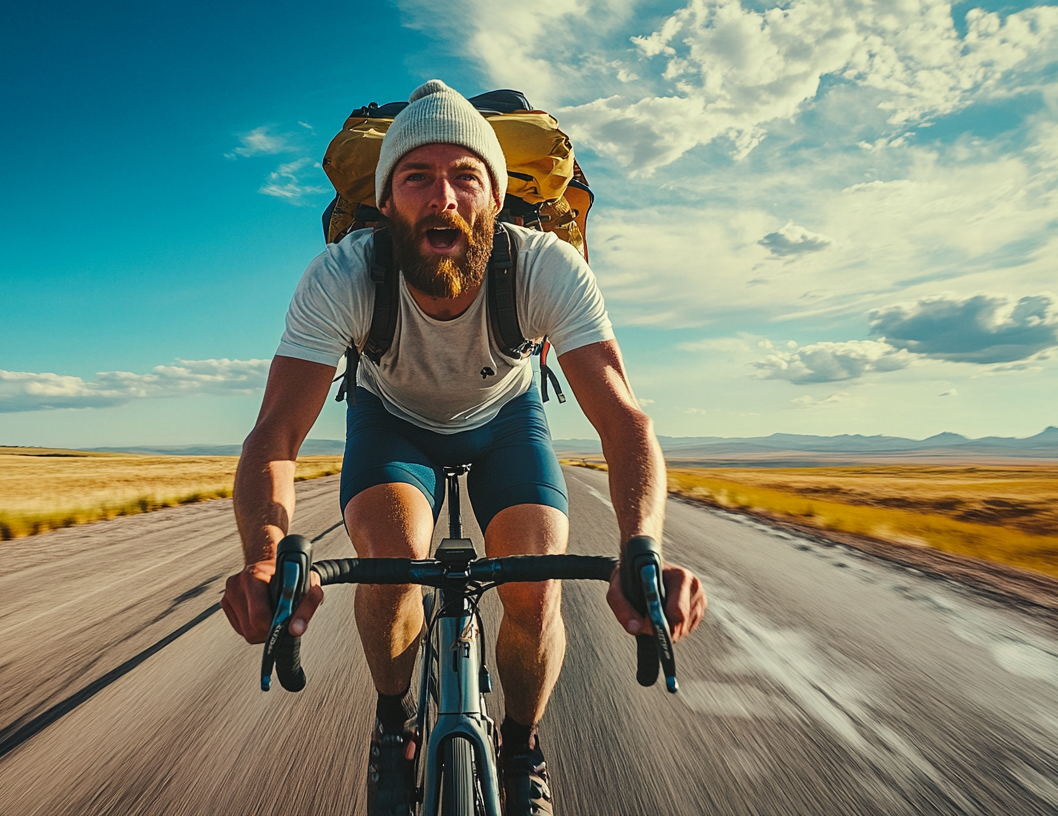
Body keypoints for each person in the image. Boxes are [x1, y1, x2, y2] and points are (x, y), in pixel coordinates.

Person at [221, 79, 706, 816]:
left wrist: (642, 544)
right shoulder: (343, 275)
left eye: (464, 177)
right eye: (417, 177)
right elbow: (276, 432)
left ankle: (523, 746)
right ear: (386, 202)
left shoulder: (544, 266)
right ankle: (394, 728)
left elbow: (624, 421)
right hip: (393, 425)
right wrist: (263, 550)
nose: (442, 197)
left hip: (505, 422)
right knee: (389, 566)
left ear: (494, 194)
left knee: (534, 590)